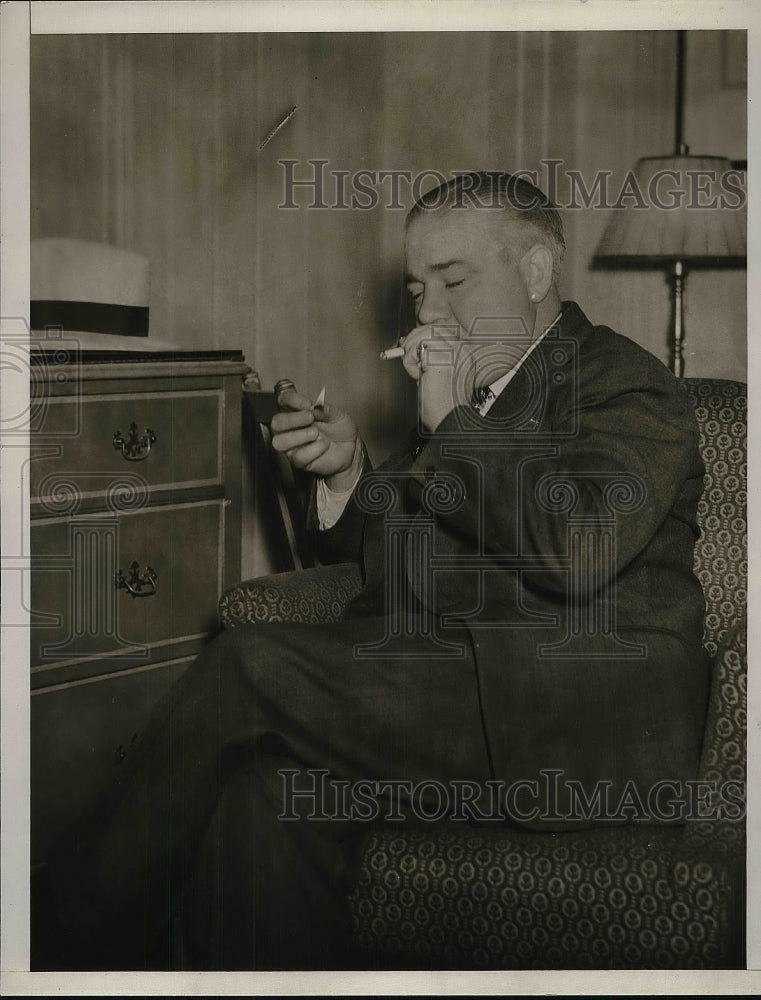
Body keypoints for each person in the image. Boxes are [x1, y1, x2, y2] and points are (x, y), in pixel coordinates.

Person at [38, 172, 710, 971]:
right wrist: (347, 476)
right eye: (418, 287)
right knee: (266, 790)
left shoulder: (625, 383)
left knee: (252, 661)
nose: (427, 312)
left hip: (569, 720)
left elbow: (576, 548)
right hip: (443, 699)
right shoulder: (478, 394)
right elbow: (401, 550)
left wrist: (452, 423)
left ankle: (52, 941)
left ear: (535, 271)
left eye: (455, 281)